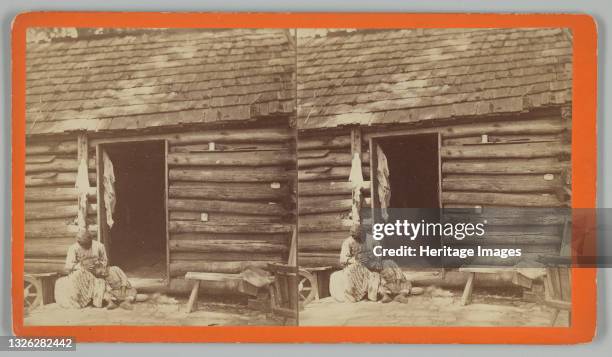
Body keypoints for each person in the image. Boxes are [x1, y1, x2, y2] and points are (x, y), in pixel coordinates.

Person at [54, 229, 110, 309]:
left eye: (88, 244)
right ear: (79, 243)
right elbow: (68, 265)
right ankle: (82, 301)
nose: (86, 247)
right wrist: (81, 266)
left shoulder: (99, 246)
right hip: (80, 273)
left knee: (100, 281)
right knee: (78, 275)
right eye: (83, 245)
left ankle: (95, 299)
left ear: (91, 239)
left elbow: (105, 261)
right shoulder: (73, 248)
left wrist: (98, 265)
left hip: (95, 272)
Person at [329, 224, 381, 302]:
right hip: (355, 265)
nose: (356, 239)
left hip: (369, 264)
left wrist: (371, 258)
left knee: (376, 271)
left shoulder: (372, 240)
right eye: (354, 237)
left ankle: (371, 294)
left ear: (364, 233)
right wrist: (354, 259)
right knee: (351, 271)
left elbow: (379, 254)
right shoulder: (348, 242)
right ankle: (356, 296)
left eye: (358, 237)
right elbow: (342, 258)